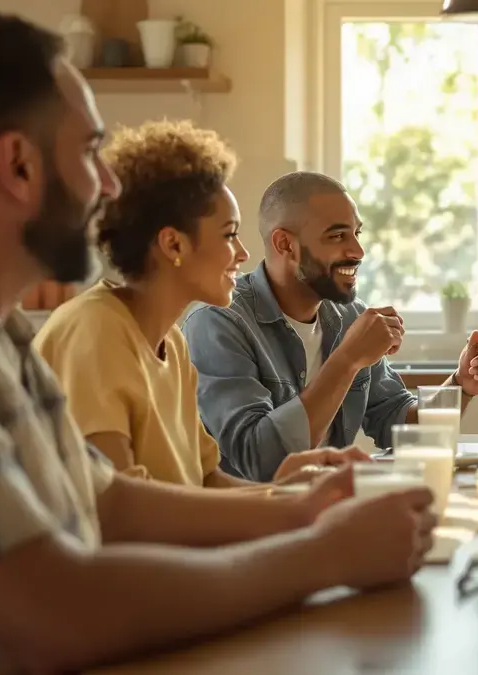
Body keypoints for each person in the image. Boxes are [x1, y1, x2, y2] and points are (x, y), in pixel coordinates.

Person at [0, 9, 435, 673]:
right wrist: (324, 553)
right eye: (88, 152)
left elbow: (107, 500)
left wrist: (303, 513)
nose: (106, 186)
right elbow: (48, 610)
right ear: (18, 164)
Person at [33, 119, 367, 488]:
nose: (242, 253)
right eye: (229, 235)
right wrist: (293, 507)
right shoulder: (96, 329)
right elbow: (117, 510)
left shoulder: (172, 344)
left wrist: (286, 491)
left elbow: (206, 481)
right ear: (174, 245)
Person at [182, 171, 478, 482]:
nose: (358, 251)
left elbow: (397, 421)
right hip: (255, 520)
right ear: (285, 245)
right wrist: (348, 359)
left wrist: (461, 385)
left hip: (329, 508)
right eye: (337, 235)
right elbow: (258, 460)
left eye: (356, 233)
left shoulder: (349, 315)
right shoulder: (218, 322)